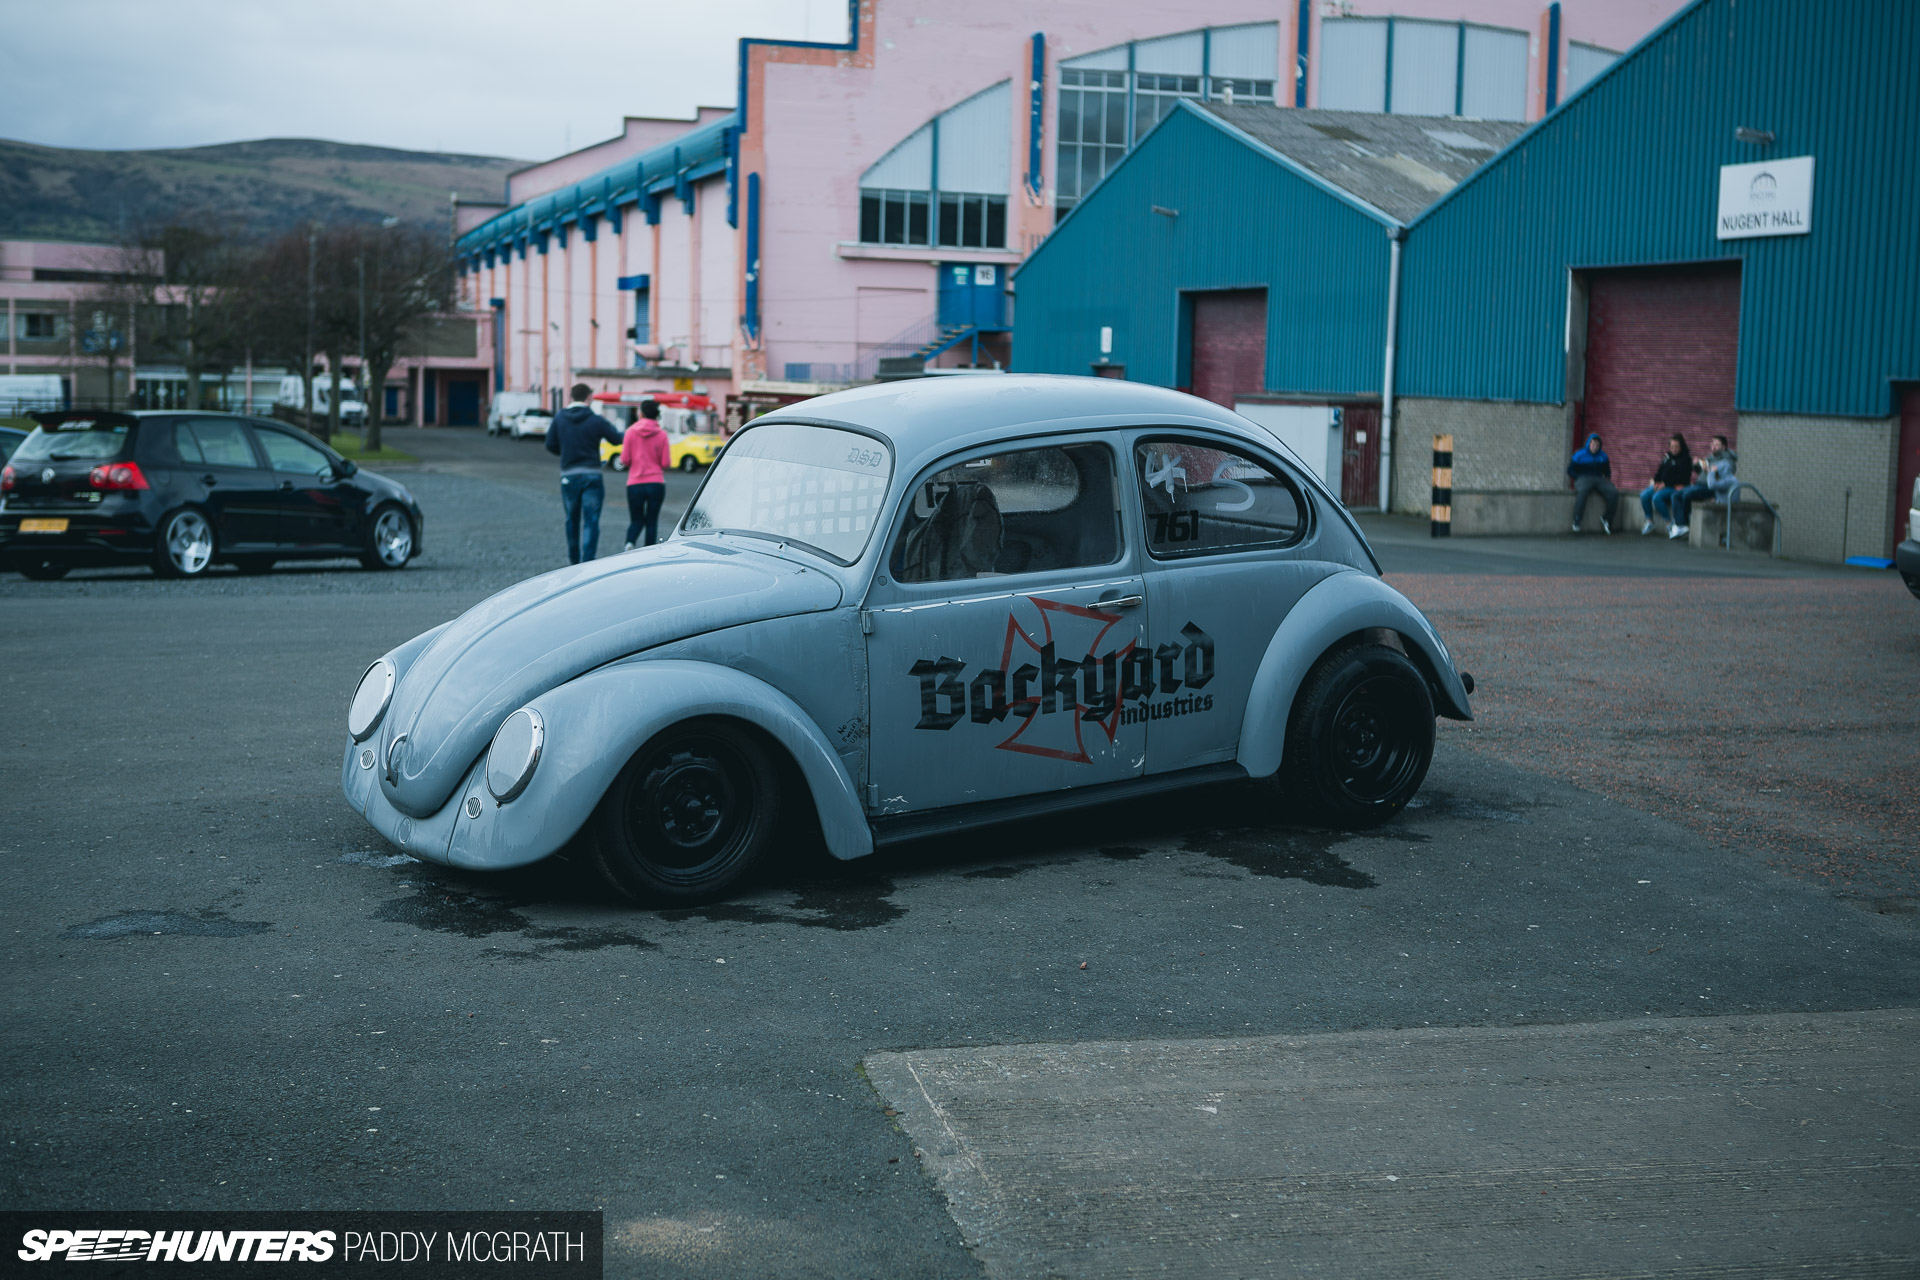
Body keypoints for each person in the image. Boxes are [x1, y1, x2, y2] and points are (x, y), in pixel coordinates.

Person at [545, 383, 623, 563]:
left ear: (571, 397)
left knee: (571, 520)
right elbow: (616, 439)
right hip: (592, 475)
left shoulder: (560, 418)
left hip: (569, 476)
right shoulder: (596, 419)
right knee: (591, 521)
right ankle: (587, 562)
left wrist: (565, 452)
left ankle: (573, 561)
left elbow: (550, 444)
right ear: (588, 397)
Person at [619, 398, 672, 549]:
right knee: (652, 520)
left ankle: (630, 542)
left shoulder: (630, 432)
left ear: (641, 413)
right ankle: (648, 551)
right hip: (656, 483)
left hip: (635, 483)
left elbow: (625, 459)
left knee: (636, 519)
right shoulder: (662, 434)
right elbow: (665, 463)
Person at [1671, 434, 1737, 536]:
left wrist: (1710, 471)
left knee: (1686, 495)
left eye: (1717, 445)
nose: (1713, 446)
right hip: (1698, 484)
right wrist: (1696, 465)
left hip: (1710, 487)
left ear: (1723, 447)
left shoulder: (1727, 461)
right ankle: (1681, 525)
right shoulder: (1710, 457)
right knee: (1675, 495)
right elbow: (1701, 471)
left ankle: (1685, 524)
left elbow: (1727, 475)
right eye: (1712, 444)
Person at [1639, 434, 1693, 537]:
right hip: (1662, 485)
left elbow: (1683, 478)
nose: (1674, 449)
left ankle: (1669, 524)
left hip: (1675, 487)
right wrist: (1655, 481)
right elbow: (1660, 471)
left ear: (1681, 446)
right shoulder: (1667, 456)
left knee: (1657, 498)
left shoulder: (1685, 459)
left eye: (1676, 446)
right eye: (1672, 447)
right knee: (1644, 495)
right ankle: (1650, 522)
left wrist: (1665, 484)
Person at [1567, 431, 1617, 534]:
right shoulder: (1579, 455)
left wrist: (1607, 479)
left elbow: (1607, 470)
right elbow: (1570, 470)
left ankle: (1606, 519)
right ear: (1589, 444)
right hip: (1583, 478)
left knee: (1613, 492)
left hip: (1599, 479)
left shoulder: (1603, 456)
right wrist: (1577, 478)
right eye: (1593, 444)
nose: (1595, 447)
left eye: (1597, 445)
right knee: (1583, 491)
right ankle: (1577, 520)